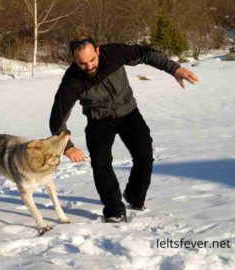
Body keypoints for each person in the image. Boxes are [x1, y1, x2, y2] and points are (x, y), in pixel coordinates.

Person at [49, 36, 199, 223]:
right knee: (101, 163)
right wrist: (68, 147)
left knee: (144, 156)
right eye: (82, 63)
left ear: (98, 51)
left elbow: (146, 54)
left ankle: (134, 196)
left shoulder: (114, 54)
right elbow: (57, 119)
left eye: (92, 60)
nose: (88, 66)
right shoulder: (72, 81)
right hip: (99, 121)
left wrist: (175, 68)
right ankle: (114, 210)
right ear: (74, 60)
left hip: (128, 113)